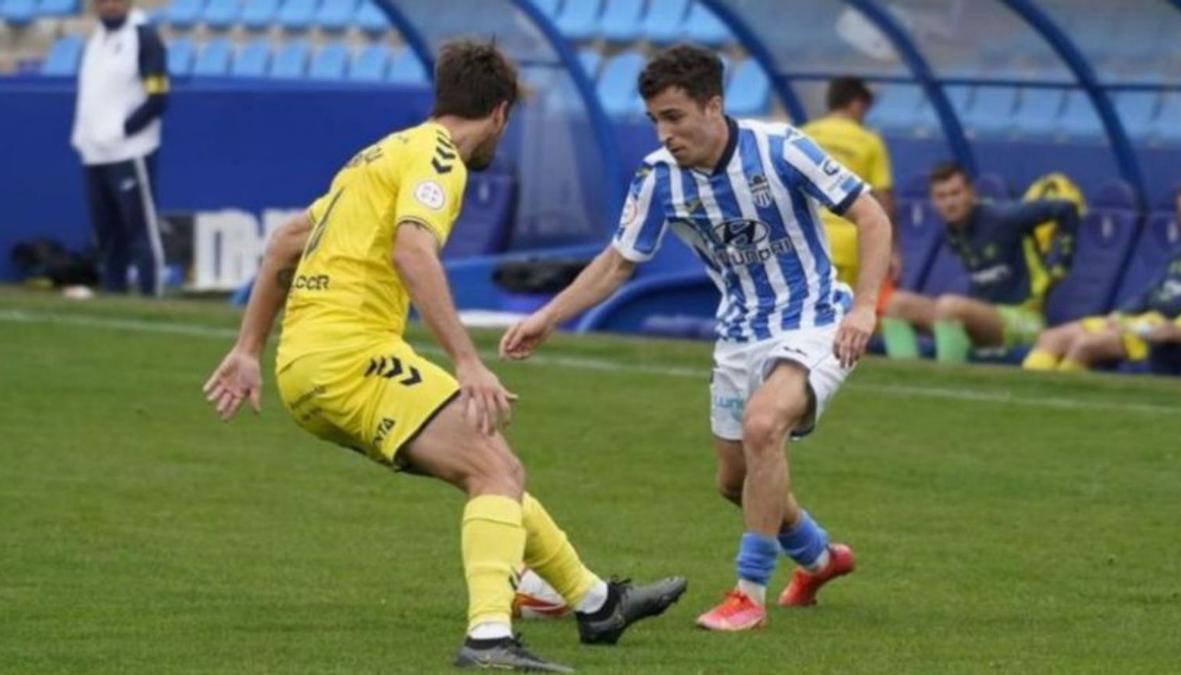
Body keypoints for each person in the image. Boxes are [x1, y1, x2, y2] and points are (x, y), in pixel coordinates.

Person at [202, 41, 685, 672]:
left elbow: (286, 242)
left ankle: (597, 603)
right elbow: (412, 252)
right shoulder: (438, 159)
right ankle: (489, 638)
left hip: (307, 367)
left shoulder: (378, 155)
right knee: (494, 471)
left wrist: (247, 350)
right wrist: (466, 359)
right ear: (500, 115)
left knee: (493, 468)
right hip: (351, 356)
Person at [499, 45, 893, 632]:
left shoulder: (781, 149)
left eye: (675, 117)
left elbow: (871, 216)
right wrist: (547, 317)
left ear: (714, 106)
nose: (665, 133)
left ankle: (748, 593)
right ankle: (817, 557)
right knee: (736, 481)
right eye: (655, 119)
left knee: (764, 427)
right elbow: (618, 262)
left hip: (815, 317)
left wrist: (863, 308)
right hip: (739, 333)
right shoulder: (659, 180)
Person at [881, 162, 1080, 363]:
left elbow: (1065, 209)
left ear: (971, 193)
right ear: (933, 202)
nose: (950, 202)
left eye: (955, 193)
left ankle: (946, 378)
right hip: (982, 318)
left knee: (950, 306)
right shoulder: (951, 231)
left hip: (1023, 319)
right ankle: (909, 378)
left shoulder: (1001, 217)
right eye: (942, 196)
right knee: (896, 304)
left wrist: (1062, 262)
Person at [1022, 179, 1181, 375]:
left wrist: (1172, 328)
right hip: (1140, 321)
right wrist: (1120, 315)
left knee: (1085, 345)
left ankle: (1059, 400)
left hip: (1165, 327)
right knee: (1051, 338)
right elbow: (1150, 293)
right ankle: (1024, 394)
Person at [71, 0, 169, 297]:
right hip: (94, 152)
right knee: (107, 231)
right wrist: (87, 135)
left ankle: (151, 291)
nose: (108, 5)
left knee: (139, 228)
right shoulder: (96, 39)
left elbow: (158, 96)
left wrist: (120, 131)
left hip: (129, 151)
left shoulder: (143, 37)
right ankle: (113, 292)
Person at [801, 77, 897, 306]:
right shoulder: (869, 141)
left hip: (807, 240)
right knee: (844, 321)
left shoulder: (803, 135)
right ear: (856, 104)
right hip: (849, 243)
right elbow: (883, 198)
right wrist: (890, 249)